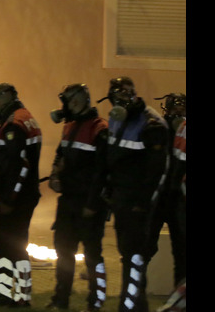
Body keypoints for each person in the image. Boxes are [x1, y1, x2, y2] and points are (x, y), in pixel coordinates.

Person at [101, 77, 168, 312]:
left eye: (124, 95)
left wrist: (143, 204)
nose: (120, 101)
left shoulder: (151, 123)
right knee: (127, 253)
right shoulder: (116, 118)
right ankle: (136, 305)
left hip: (137, 203)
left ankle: (130, 307)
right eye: (116, 97)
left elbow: (157, 171)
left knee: (135, 256)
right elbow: (114, 158)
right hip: (121, 199)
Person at [46, 84, 109, 311]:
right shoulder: (70, 125)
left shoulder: (99, 128)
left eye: (66, 102)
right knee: (64, 251)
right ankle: (60, 299)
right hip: (69, 201)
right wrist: (55, 175)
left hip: (89, 204)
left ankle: (96, 301)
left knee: (93, 255)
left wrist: (93, 205)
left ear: (77, 101)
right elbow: (60, 155)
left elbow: (103, 171)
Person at [0, 83, 41, 307]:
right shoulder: (25, 118)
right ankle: (7, 291)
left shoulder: (14, 125)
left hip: (15, 199)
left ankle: (19, 294)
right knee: (12, 244)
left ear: (4, 99)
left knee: (11, 245)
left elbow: (19, 165)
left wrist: (9, 198)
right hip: (22, 195)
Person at [149, 93, 186, 287]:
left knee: (181, 253)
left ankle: (179, 298)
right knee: (146, 247)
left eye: (182, 110)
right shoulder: (157, 131)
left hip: (178, 199)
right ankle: (137, 295)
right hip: (159, 197)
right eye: (174, 111)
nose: (178, 115)